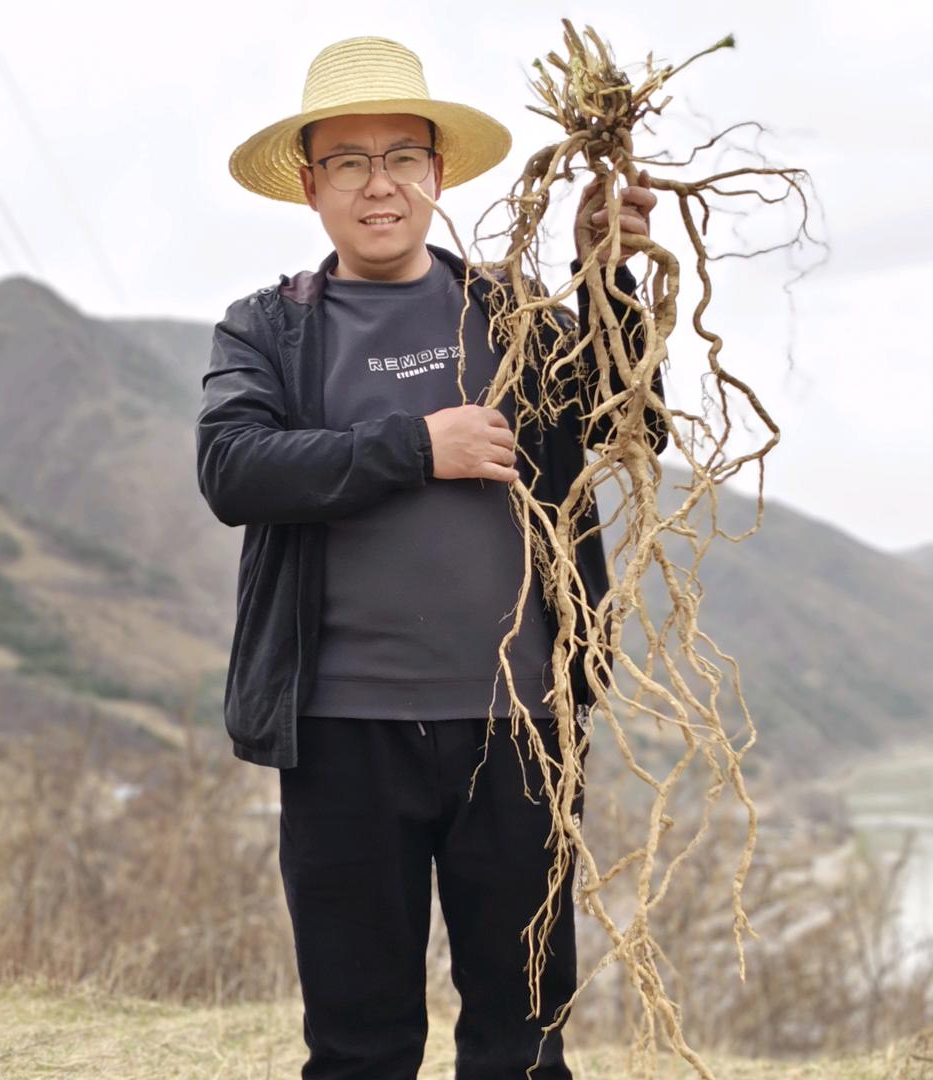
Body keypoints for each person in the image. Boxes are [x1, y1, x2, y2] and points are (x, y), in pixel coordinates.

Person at [196, 35, 667, 1080]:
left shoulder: (512, 312)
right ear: (310, 185)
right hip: (340, 734)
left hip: (522, 731)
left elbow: (630, 423)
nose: (380, 185)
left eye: (402, 157)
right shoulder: (268, 330)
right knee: (359, 1047)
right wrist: (418, 447)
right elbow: (233, 469)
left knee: (522, 1045)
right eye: (349, 162)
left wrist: (607, 276)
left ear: (438, 173)